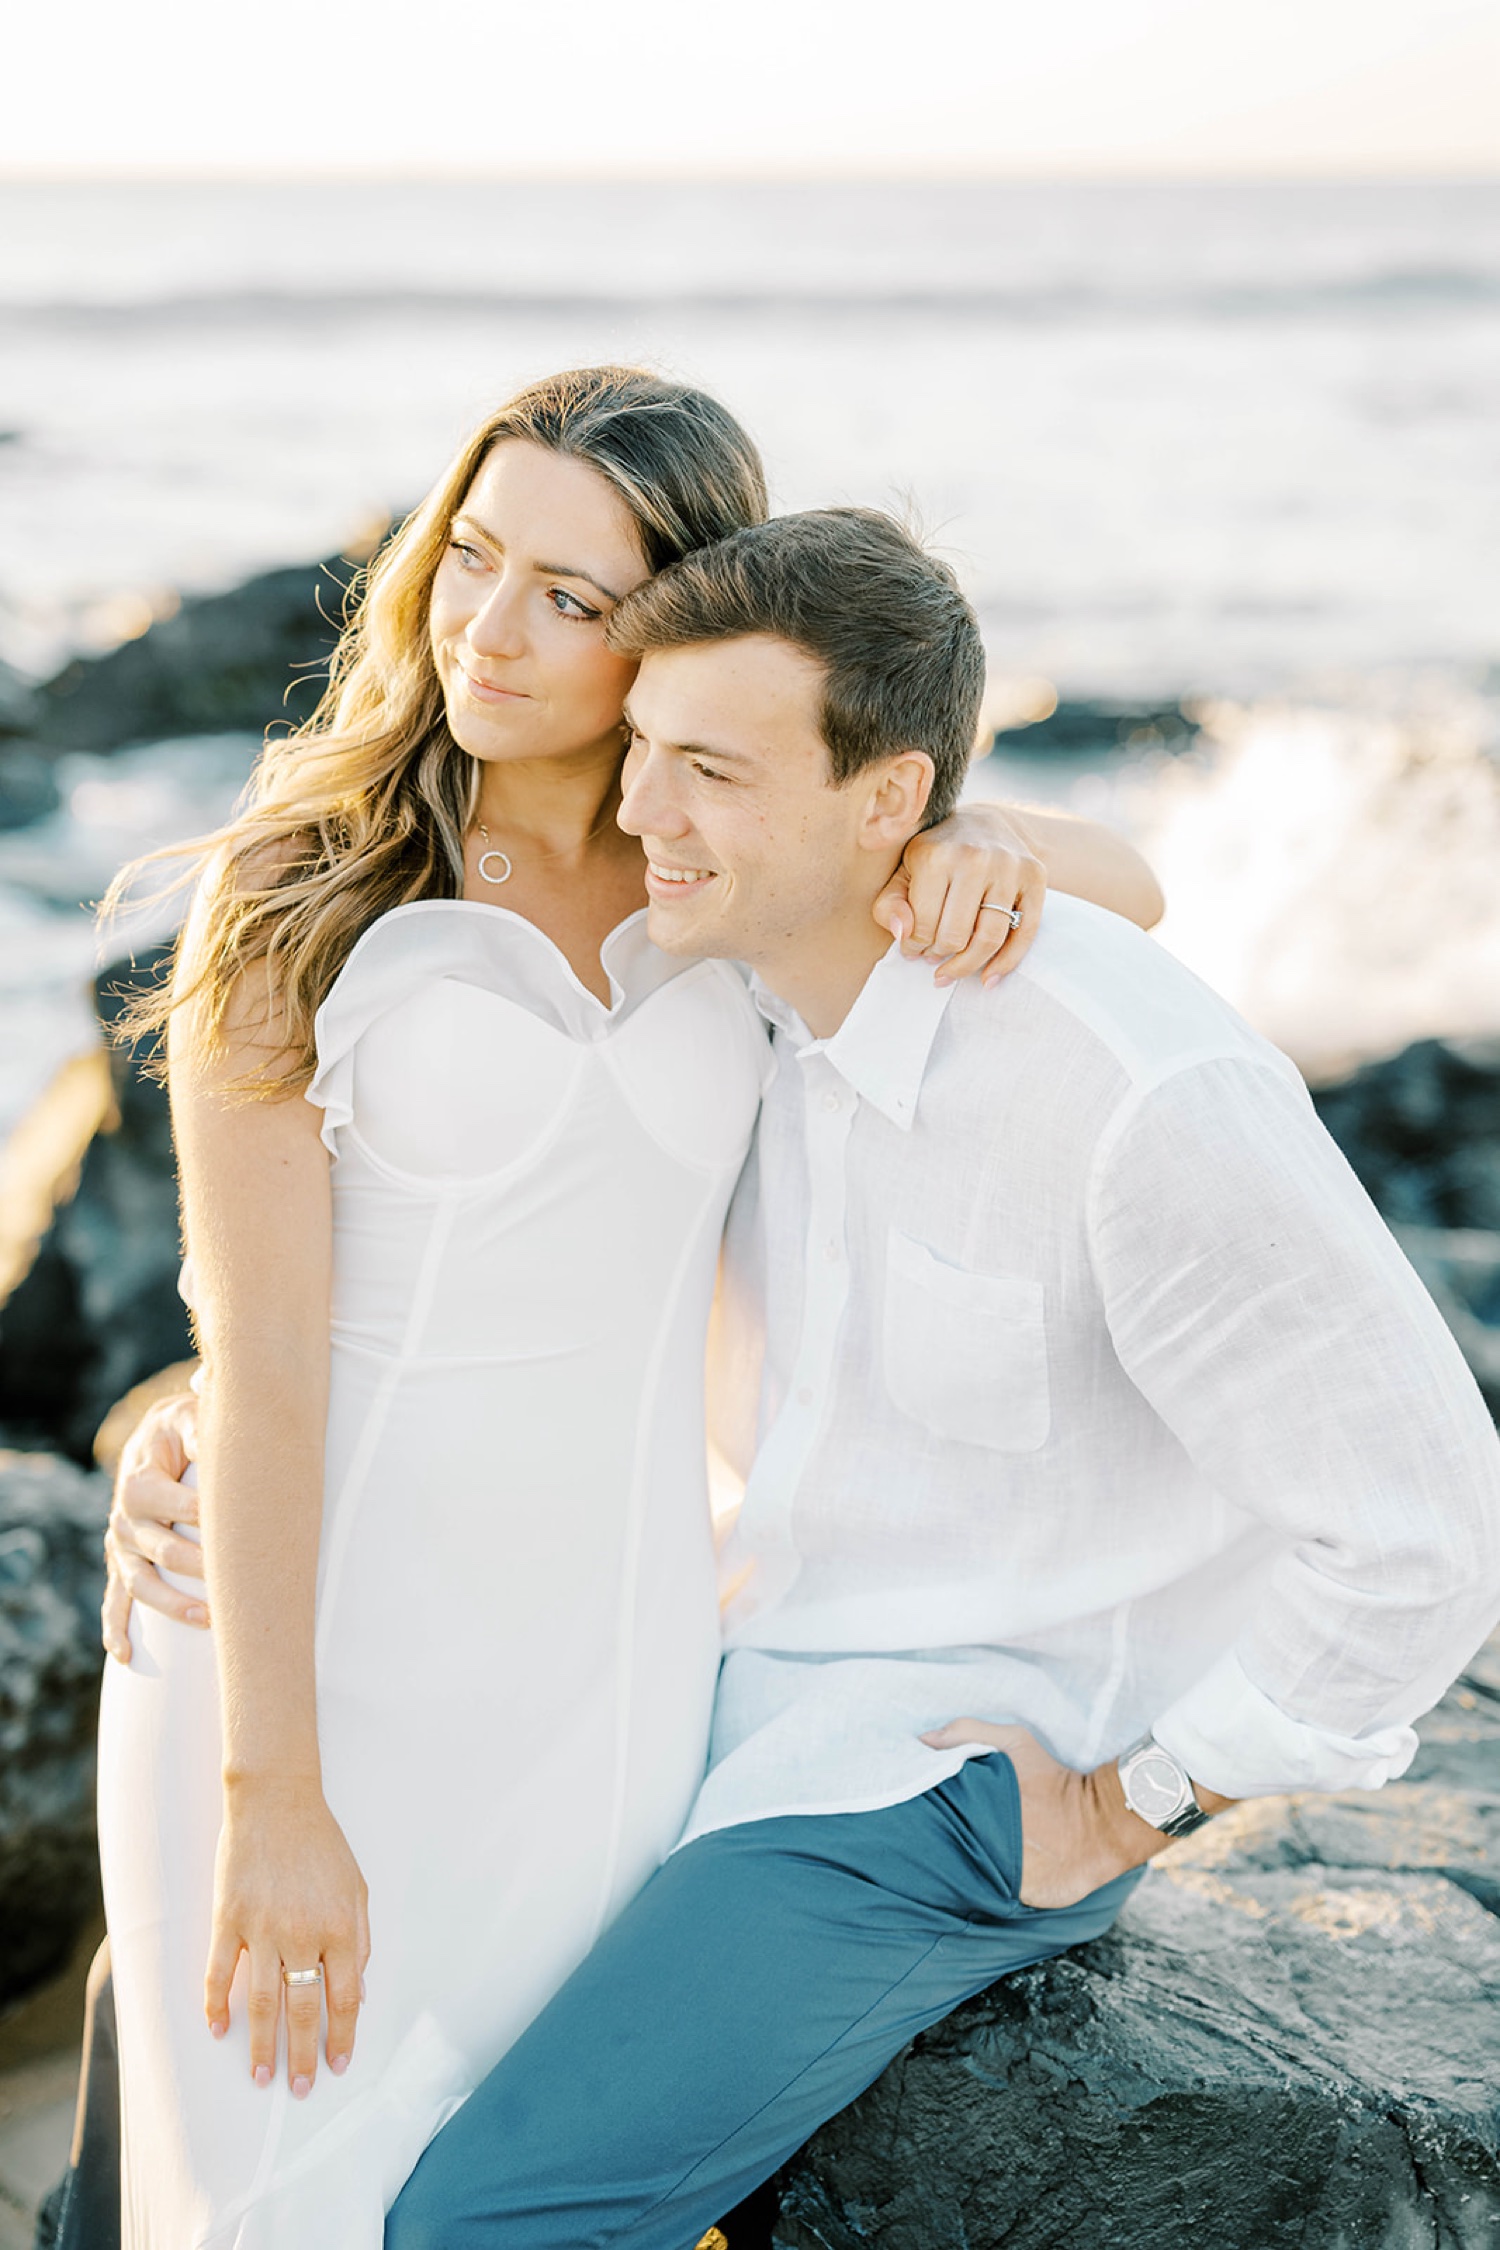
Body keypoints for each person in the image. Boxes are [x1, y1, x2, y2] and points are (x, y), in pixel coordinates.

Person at [83, 367, 1164, 2250]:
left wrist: (978, 843)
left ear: (672, 631)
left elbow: (1136, 889)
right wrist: (276, 1797)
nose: (489, 631)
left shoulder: (733, 873)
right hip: (298, 1662)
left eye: (572, 598)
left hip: (607, 1672)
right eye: (473, 558)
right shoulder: (296, 889)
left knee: (499, 2199)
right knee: (272, 2207)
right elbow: (261, 1355)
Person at [362, 506, 1500, 2249]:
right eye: (647, 749)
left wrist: (1142, 1796)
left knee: (479, 2224)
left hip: (938, 1771)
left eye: (713, 772)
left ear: (890, 799)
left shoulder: (1127, 1089)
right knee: (289, 2045)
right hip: (711, 1665)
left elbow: (1429, 1514)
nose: (642, 811)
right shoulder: (731, 990)